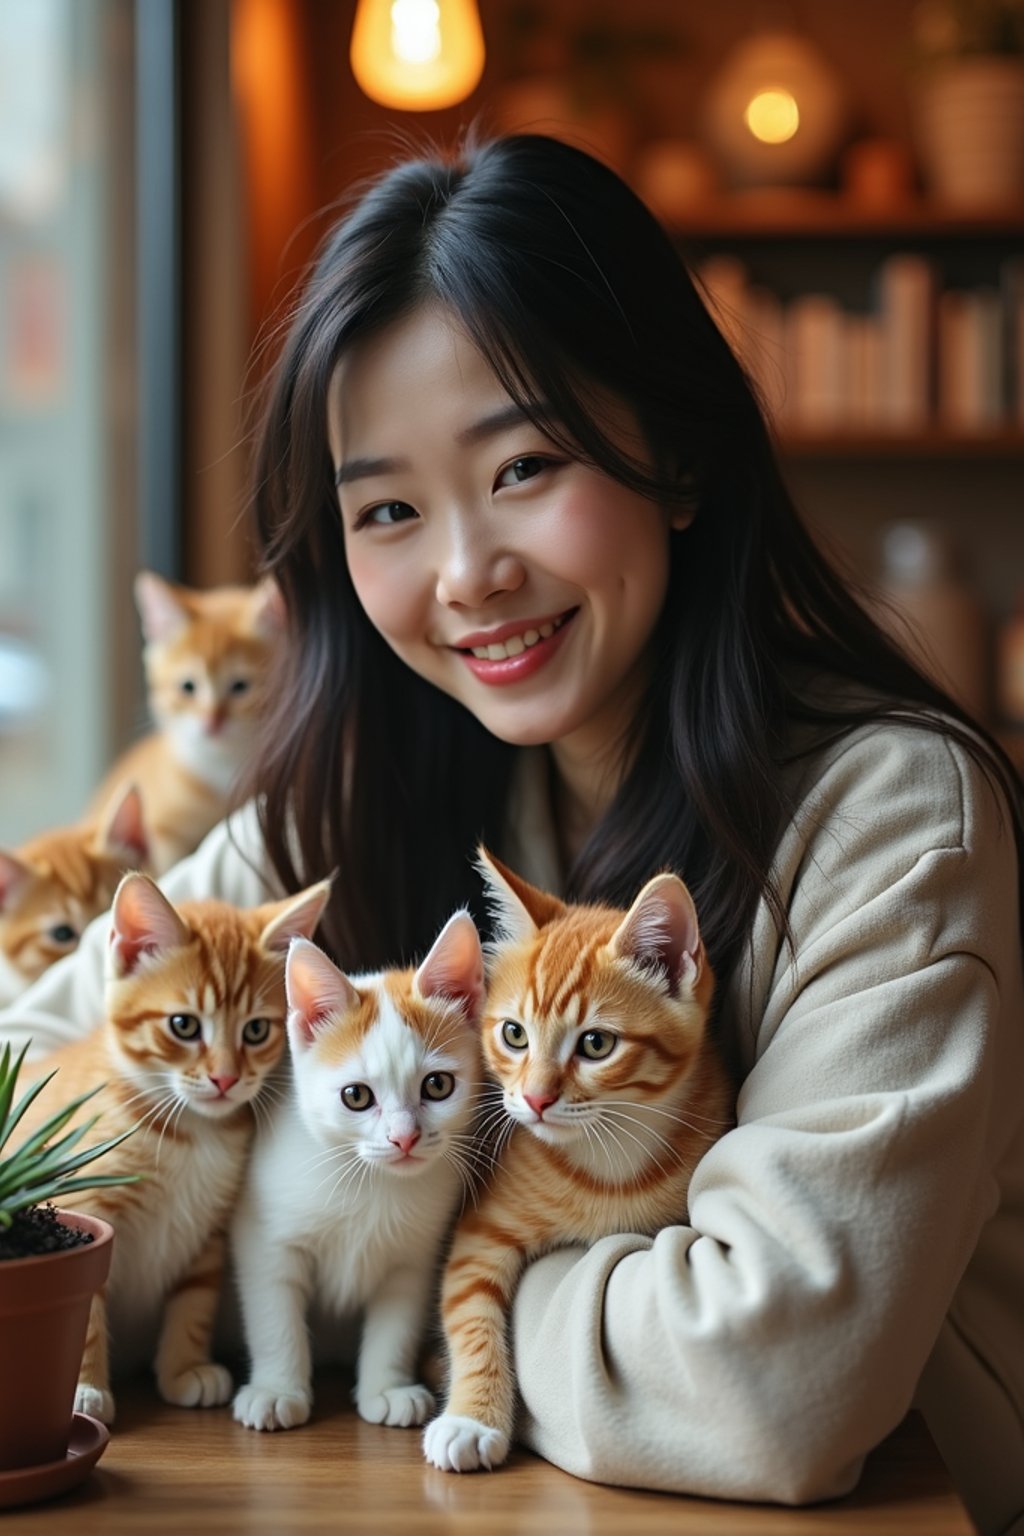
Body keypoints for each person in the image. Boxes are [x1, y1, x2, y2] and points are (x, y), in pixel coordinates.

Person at [2, 133, 1022, 1534]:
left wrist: (425, 1294)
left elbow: (774, 1379)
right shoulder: (346, 795)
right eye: (390, 510)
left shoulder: (891, 816)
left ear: (674, 449)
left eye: (528, 463)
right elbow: (31, 1061)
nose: (467, 573)